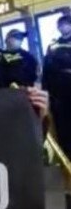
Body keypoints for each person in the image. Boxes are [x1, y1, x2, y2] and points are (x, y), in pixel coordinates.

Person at [43, 14, 71, 156]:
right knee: (63, 127)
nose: (63, 27)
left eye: (66, 24)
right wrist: (46, 91)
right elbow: (47, 69)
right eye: (61, 25)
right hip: (59, 92)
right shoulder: (53, 45)